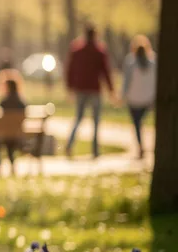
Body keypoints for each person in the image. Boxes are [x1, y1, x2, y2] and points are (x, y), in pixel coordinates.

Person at [64, 23, 116, 159]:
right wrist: (111, 89)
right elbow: (105, 71)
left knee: (78, 118)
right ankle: (95, 150)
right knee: (96, 120)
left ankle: (69, 145)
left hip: (80, 88)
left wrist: (69, 88)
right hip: (94, 89)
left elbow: (70, 70)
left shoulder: (76, 49)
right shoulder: (99, 50)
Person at [122, 35, 157, 159]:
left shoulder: (130, 62)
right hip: (148, 98)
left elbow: (126, 82)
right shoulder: (153, 61)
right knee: (141, 121)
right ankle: (146, 146)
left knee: (137, 124)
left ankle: (140, 146)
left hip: (134, 99)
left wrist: (122, 96)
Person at [0, 69, 27, 175]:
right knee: (10, 142)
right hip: (18, 136)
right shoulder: (22, 102)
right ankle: (12, 165)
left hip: (3, 136)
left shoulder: (3, 102)